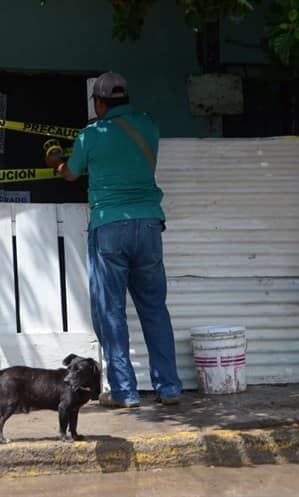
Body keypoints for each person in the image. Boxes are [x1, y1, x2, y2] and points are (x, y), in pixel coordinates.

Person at [45, 71, 182, 407]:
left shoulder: (91, 134)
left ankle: (124, 392)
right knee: (154, 310)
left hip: (110, 227)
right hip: (149, 225)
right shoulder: (149, 125)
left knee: (111, 312)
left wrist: (55, 160)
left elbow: (71, 173)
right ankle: (169, 389)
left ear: (99, 102)